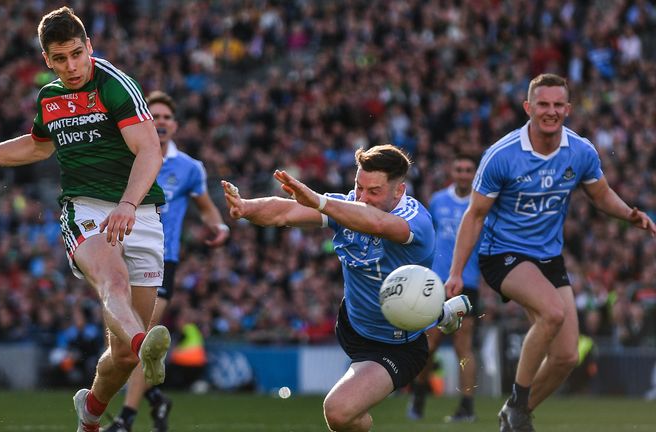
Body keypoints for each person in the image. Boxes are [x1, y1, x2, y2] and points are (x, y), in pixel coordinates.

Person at [0, 7, 172, 431]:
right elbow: (38, 146)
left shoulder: (114, 84)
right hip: (85, 209)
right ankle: (144, 343)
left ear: (89, 48)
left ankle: (90, 414)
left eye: (77, 55)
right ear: (47, 60)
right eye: (60, 59)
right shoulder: (49, 98)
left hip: (139, 212)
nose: (71, 66)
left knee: (119, 358)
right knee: (112, 286)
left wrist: (129, 205)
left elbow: (150, 150)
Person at [444, 73, 656, 432]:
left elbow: (601, 194)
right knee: (552, 312)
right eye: (543, 104)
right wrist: (455, 273)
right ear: (528, 107)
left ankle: (515, 411)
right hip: (503, 255)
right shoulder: (501, 155)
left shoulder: (580, 151)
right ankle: (519, 400)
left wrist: (630, 214)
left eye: (559, 105)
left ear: (568, 109)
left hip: (548, 258)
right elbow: (475, 215)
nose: (551, 111)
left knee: (567, 356)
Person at [221, 144, 471, 432]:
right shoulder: (347, 206)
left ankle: (439, 313)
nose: (362, 197)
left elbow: (377, 223)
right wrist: (247, 207)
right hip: (352, 327)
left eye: (374, 191)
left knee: (339, 412)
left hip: (396, 345)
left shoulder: (417, 221)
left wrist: (320, 201)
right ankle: (441, 312)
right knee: (343, 414)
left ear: (398, 192)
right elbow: (284, 213)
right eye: (358, 187)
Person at [103, 90, 229, 432]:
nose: (160, 122)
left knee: (139, 338)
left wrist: (218, 225)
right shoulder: (128, 156)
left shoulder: (189, 168)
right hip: (119, 255)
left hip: (161, 260)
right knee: (119, 345)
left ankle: (126, 419)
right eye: (154, 115)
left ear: (175, 125)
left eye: (167, 117)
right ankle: (156, 400)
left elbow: (205, 205)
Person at [408, 153, 480, 422]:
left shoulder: (480, 202)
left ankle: (467, 406)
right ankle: (417, 398)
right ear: (453, 171)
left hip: (467, 283)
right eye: (459, 168)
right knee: (429, 345)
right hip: (436, 282)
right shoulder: (438, 201)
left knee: (464, 348)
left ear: (474, 173)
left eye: (468, 169)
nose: (463, 173)